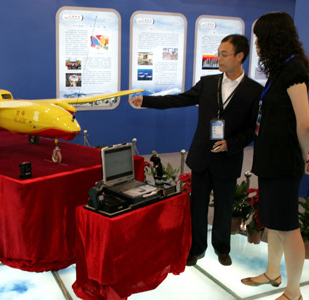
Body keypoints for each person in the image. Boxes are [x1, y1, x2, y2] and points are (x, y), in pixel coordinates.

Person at [130, 34, 263, 266]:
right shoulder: (208, 83)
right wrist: (147, 102)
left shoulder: (253, 91)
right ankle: (196, 248)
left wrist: (230, 143)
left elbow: (252, 130)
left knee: (223, 207)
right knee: (197, 206)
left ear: (240, 56)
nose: (218, 59)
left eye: (224, 54)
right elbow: (179, 99)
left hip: (228, 157)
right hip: (202, 156)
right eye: (218, 53)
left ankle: (222, 248)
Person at [240, 12, 309, 300]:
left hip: (284, 162)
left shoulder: (295, 71)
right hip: (270, 160)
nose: (256, 44)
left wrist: (307, 157)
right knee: (274, 221)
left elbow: (304, 121)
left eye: (260, 38)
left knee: (287, 226)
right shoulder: (281, 69)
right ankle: (272, 272)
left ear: (274, 37)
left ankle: (293, 292)